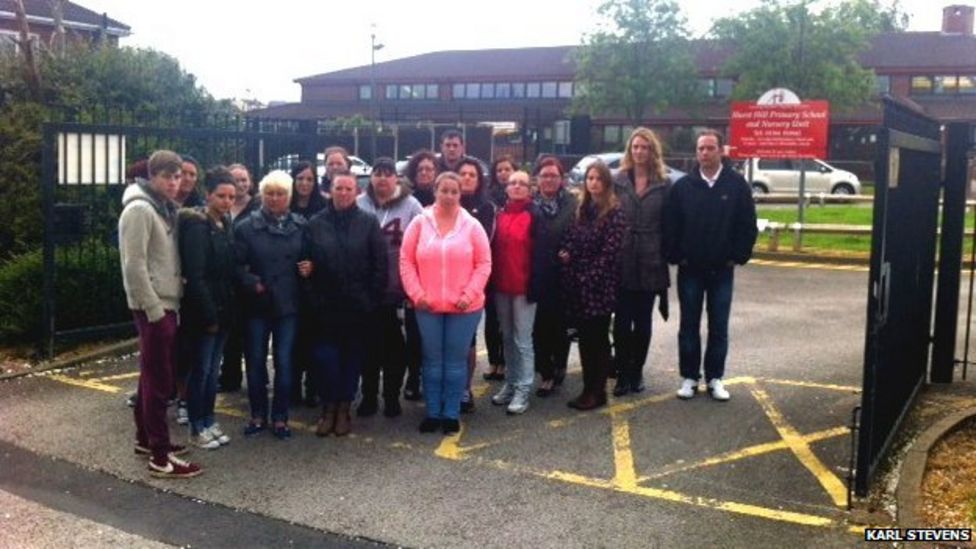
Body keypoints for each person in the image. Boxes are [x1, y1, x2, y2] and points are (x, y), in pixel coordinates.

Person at [118, 149, 201, 478]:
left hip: (167, 302)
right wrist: (154, 311)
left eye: (177, 176)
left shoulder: (162, 207)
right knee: (159, 381)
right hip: (154, 307)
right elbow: (133, 265)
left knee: (149, 376)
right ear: (152, 176)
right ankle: (160, 457)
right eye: (167, 176)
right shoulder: (139, 209)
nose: (174, 182)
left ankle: (146, 438)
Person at [665, 129, 757, 402]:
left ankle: (715, 377)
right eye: (700, 149)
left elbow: (747, 225)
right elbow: (671, 225)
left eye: (710, 148)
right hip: (690, 269)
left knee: (719, 326)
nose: (704, 153)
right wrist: (676, 255)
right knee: (689, 325)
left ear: (720, 151)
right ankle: (689, 377)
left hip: (722, 270)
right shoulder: (682, 187)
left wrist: (737, 256)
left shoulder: (736, 185)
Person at [400, 172, 491, 435]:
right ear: (435, 192)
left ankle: (451, 412)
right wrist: (417, 295)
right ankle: (433, 412)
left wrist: (469, 294)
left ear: (460, 195)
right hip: (427, 306)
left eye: (454, 191)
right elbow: (406, 261)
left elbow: (484, 263)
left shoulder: (472, 226)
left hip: (464, 308)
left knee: (455, 361)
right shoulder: (419, 223)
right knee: (431, 361)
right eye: (444, 191)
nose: (449, 196)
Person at [306, 170, 387, 437]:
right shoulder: (316, 223)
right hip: (325, 307)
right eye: (339, 188)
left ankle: (343, 408)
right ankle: (328, 407)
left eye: (348, 189)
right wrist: (314, 298)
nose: (343, 193)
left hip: (357, 307)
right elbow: (306, 264)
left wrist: (371, 300)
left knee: (352, 360)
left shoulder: (368, 222)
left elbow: (380, 265)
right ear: (330, 189)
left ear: (357, 192)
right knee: (325, 358)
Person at [235, 170, 312, 439]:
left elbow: (309, 258)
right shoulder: (245, 227)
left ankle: (280, 417)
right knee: (255, 361)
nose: (275, 198)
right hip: (257, 304)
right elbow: (235, 265)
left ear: (289, 197)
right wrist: (251, 281)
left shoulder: (302, 226)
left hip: (288, 305)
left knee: (285, 361)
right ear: (262, 195)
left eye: (280, 194)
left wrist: (308, 267)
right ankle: (257, 414)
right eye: (270, 193)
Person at [355, 158, 423, 418]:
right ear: (371, 177)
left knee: (396, 350)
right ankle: (369, 395)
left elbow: (422, 244)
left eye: (387, 174)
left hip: (398, 291)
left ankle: (391, 397)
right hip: (368, 291)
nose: (382, 179)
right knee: (369, 347)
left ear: (396, 178)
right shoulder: (360, 203)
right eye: (377, 173)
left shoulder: (411, 206)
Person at [178, 166, 239, 450]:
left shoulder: (225, 225)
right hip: (204, 313)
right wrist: (210, 315)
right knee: (200, 371)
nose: (227, 202)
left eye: (231, 197)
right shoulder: (197, 227)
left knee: (213, 371)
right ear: (208, 195)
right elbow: (196, 275)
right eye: (221, 196)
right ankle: (195, 425)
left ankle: (209, 418)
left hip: (225, 308)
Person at [559, 161, 627, 411]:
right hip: (578, 285)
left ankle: (596, 392)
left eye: (598, 178)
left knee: (596, 340)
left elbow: (610, 254)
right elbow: (572, 239)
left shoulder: (615, 212)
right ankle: (590, 388)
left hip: (599, 286)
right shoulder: (583, 209)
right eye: (590, 178)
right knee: (586, 340)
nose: (593, 183)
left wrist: (588, 277)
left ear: (606, 182)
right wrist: (566, 252)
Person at [612, 127, 672, 397]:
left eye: (644, 147)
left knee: (643, 321)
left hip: (651, 258)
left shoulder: (664, 183)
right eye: (635, 147)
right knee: (622, 322)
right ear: (629, 150)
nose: (639, 152)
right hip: (622, 258)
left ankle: (637, 371)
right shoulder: (618, 180)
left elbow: (672, 222)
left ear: (652, 151)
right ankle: (622, 373)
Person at [489, 170, 545, 415]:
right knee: (507, 337)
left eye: (523, 183)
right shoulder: (499, 215)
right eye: (513, 183)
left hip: (524, 288)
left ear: (530, 188)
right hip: (502, 286)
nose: (517, 187)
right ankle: (511, 383)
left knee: (523, 341)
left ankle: (523, 388)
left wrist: (535, 285)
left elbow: (541, 254)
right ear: (506, 188)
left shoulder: (534, 215)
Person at [531, 156, 578, 397]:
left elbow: (581, 231)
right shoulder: (529, 204)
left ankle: (559, 364)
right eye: (545, 175)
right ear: (537, 178)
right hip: (537, 273)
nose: (549, 180)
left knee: (561, 325)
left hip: (565, 273)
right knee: (539, 326)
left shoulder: (573, 203)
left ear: (562, 179)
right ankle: (545, 372)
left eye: (554, 175)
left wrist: (570, 249)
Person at [458, 157, 496, 413]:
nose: (467, 178)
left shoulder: (486, 208)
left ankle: (464, 388)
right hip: (443, 282)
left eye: (473, 174)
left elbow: (482, 247)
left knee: (467, 341)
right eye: (463, 174)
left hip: (470, 283)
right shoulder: (445, 202)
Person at [219, 163, 260, 394]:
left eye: (244, 179)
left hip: (249, 277)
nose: (241, 184)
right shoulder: (220, 207)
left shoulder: (259, 206)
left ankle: (257, 378)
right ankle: (229, 377)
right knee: (229, 334)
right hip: (226, 280)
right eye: (236, 179)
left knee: (252, 335)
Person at [289, 160, 326, 408]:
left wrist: (315, 264)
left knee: (314, 339)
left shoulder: (323, 208)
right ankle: (291, 387)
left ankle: (312, 387)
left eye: (309, 179)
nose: (304, 183)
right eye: (300, 178)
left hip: (315, 285)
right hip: (289, 285)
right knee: (291, 341)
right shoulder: (283, 204)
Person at [173, 154, 205, 425]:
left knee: (187, 346)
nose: (187, 178)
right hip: (165, 284)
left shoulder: (200, 208)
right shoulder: (160, 203)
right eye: (183, 173)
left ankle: (184, 397)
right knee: (162, 345)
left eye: (193, 175)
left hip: (190, 286)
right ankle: (156, 392)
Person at [482, 155, 516, 383]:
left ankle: (507, 362)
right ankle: (494, 361)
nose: (504, 173)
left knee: (509, 320)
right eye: (500, 170)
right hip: (490, 263)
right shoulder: (488, 198)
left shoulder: (518, 196)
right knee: (491, 318)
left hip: (510, 264)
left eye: (508, 169)